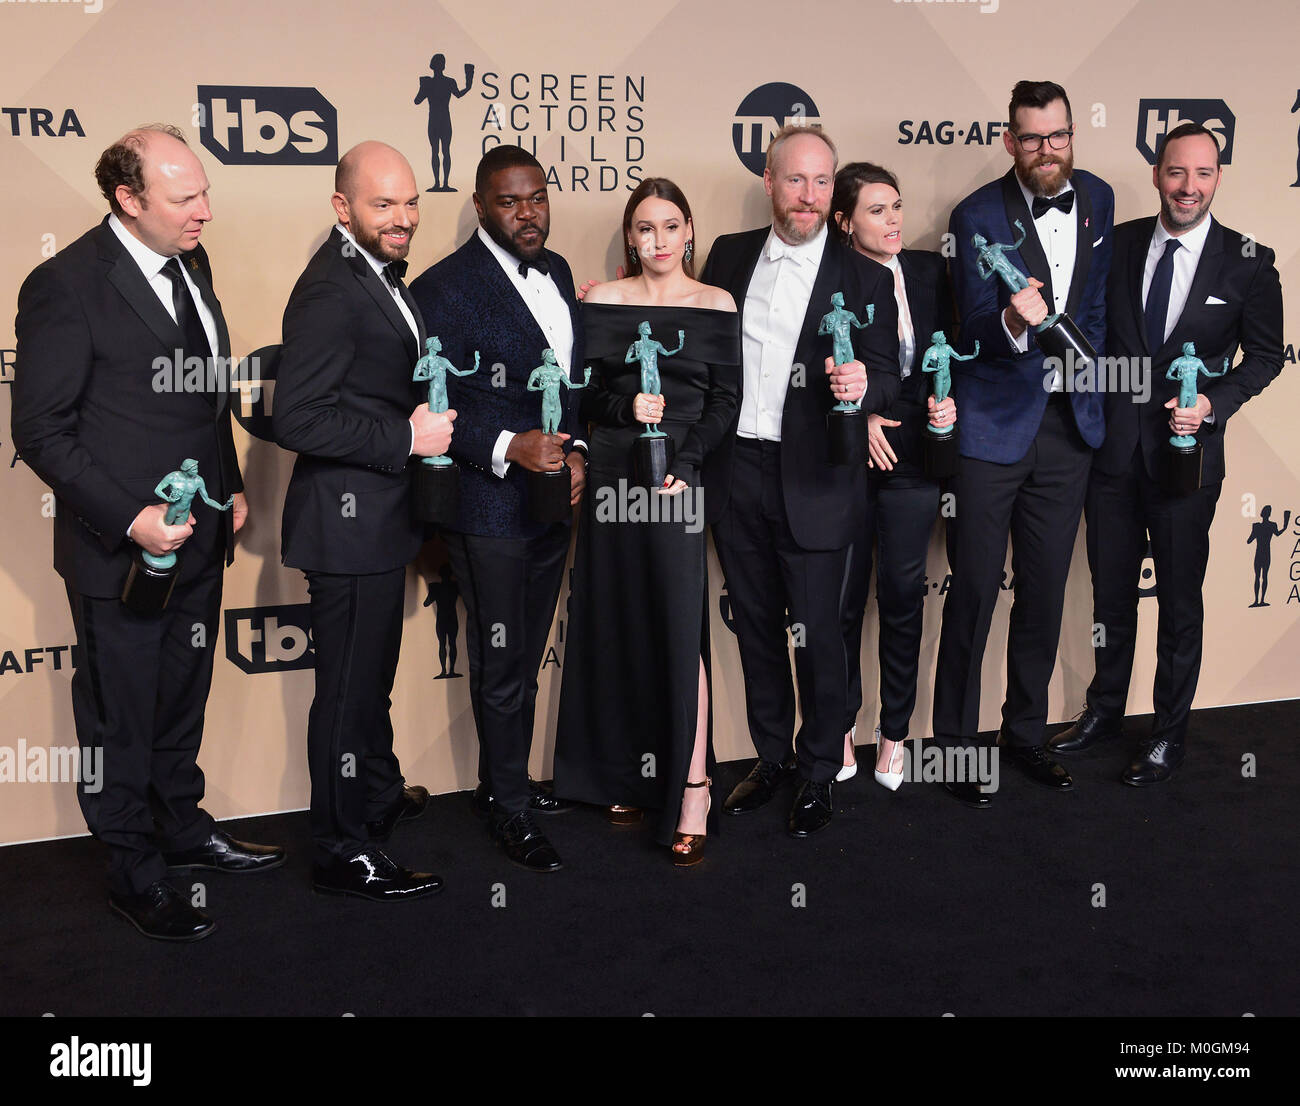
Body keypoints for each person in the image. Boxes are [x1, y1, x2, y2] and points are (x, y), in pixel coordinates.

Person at [11, 124, 282, 942]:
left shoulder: (191, 260)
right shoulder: (66, 284)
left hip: (200, 536)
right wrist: (132, 519)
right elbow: (43, 431)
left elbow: (205, 396)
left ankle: (184, 830)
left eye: (205, 190)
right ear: (129, 200)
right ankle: (133, 869)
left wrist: (230, 485)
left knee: (180, 701)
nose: (206, 209)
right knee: (120, 717)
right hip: (119, 549)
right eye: (185, 197)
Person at [1049, 122, 1285, 784]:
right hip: (1114, 456)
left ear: (1218, 178)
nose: (1189, 186)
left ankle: (1168, 734)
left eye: (1203, 174)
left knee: (1180, 601)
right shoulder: (1118, 246)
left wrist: (1212, 402)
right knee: (1110, 596)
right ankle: (1102, 712)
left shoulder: (1249, 261)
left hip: (1187, 461)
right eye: (1177, 172)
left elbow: (1265, 357)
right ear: (1157, 174)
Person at [700, 125, 900, 836]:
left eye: (822, 182)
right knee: (756, 627)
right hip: (738, 469)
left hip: (815, 475)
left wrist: (864, 383)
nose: (809, 196)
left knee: (819, 635)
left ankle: (819, 772)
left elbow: (889, 375)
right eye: (796, 180)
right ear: (769, 181)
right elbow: (694, 343)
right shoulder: (727, 255)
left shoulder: (868, 276)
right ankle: (772, 759)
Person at [274, 141, 453, 900]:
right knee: (347, 694)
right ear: (343, 208)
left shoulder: (375, 278)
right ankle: (342, 848)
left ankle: (374, 795)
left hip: (379, 522)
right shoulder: (329, 291)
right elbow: (296, 417)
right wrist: (404, 439)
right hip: (344, 530)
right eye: (384, 204)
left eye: (411, 202)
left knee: (369, 681)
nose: (403, 218)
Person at [933, 80, 1114, 807]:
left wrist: (1091, 372)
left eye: (1059, 136)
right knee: (974, 590)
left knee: (1041, 593)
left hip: (1070, 430)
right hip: (991, 427)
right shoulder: (976, 214)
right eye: (1033, 138)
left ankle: (1025, 734)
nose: (1048, 151)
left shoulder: (1097, 196)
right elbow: (969, 329)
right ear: (1010, 141)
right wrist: (1013, 318)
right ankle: (951, 746)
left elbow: (1096, 303)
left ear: (1073, 134)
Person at [409, 146, 586, 873]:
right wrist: (511, 445)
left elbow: (569, 384)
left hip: (554, 501)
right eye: (511, 201)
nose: (528, 212)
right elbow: (426, 400)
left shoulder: (562, 271)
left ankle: (503, 782)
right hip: (487, 509)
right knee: (503, 661)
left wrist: (576, 452)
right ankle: (508, 808)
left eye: (538, 197)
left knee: (525, 652)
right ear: (480, 206)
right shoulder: (443, 288)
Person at [553, 177, 740, 865]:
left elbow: (727, 401)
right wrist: (623, 410)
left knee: (677, 621)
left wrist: (683, 461)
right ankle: (627, 775)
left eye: (669, 227)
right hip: (611, 470)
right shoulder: (603, 301)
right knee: (619, 617)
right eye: (643, 229)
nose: (658, 241)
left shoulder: (716, 303)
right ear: (630, 237)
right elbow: (587, 391)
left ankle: (693, 785)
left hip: (676, 477)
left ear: (689, 230)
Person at [831, 163, 956, 791]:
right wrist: (860, 420)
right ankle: (842, 727)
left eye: (897, 206)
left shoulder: (932, 270)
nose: (893, 220)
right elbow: (814, 366)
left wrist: (946, 401)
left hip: (914, 454)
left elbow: (959, 352)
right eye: (876, 210)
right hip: (851, 455)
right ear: (844, 221)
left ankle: (897, 732)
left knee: (904, 594)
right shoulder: (830, 275)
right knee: (845, 597)